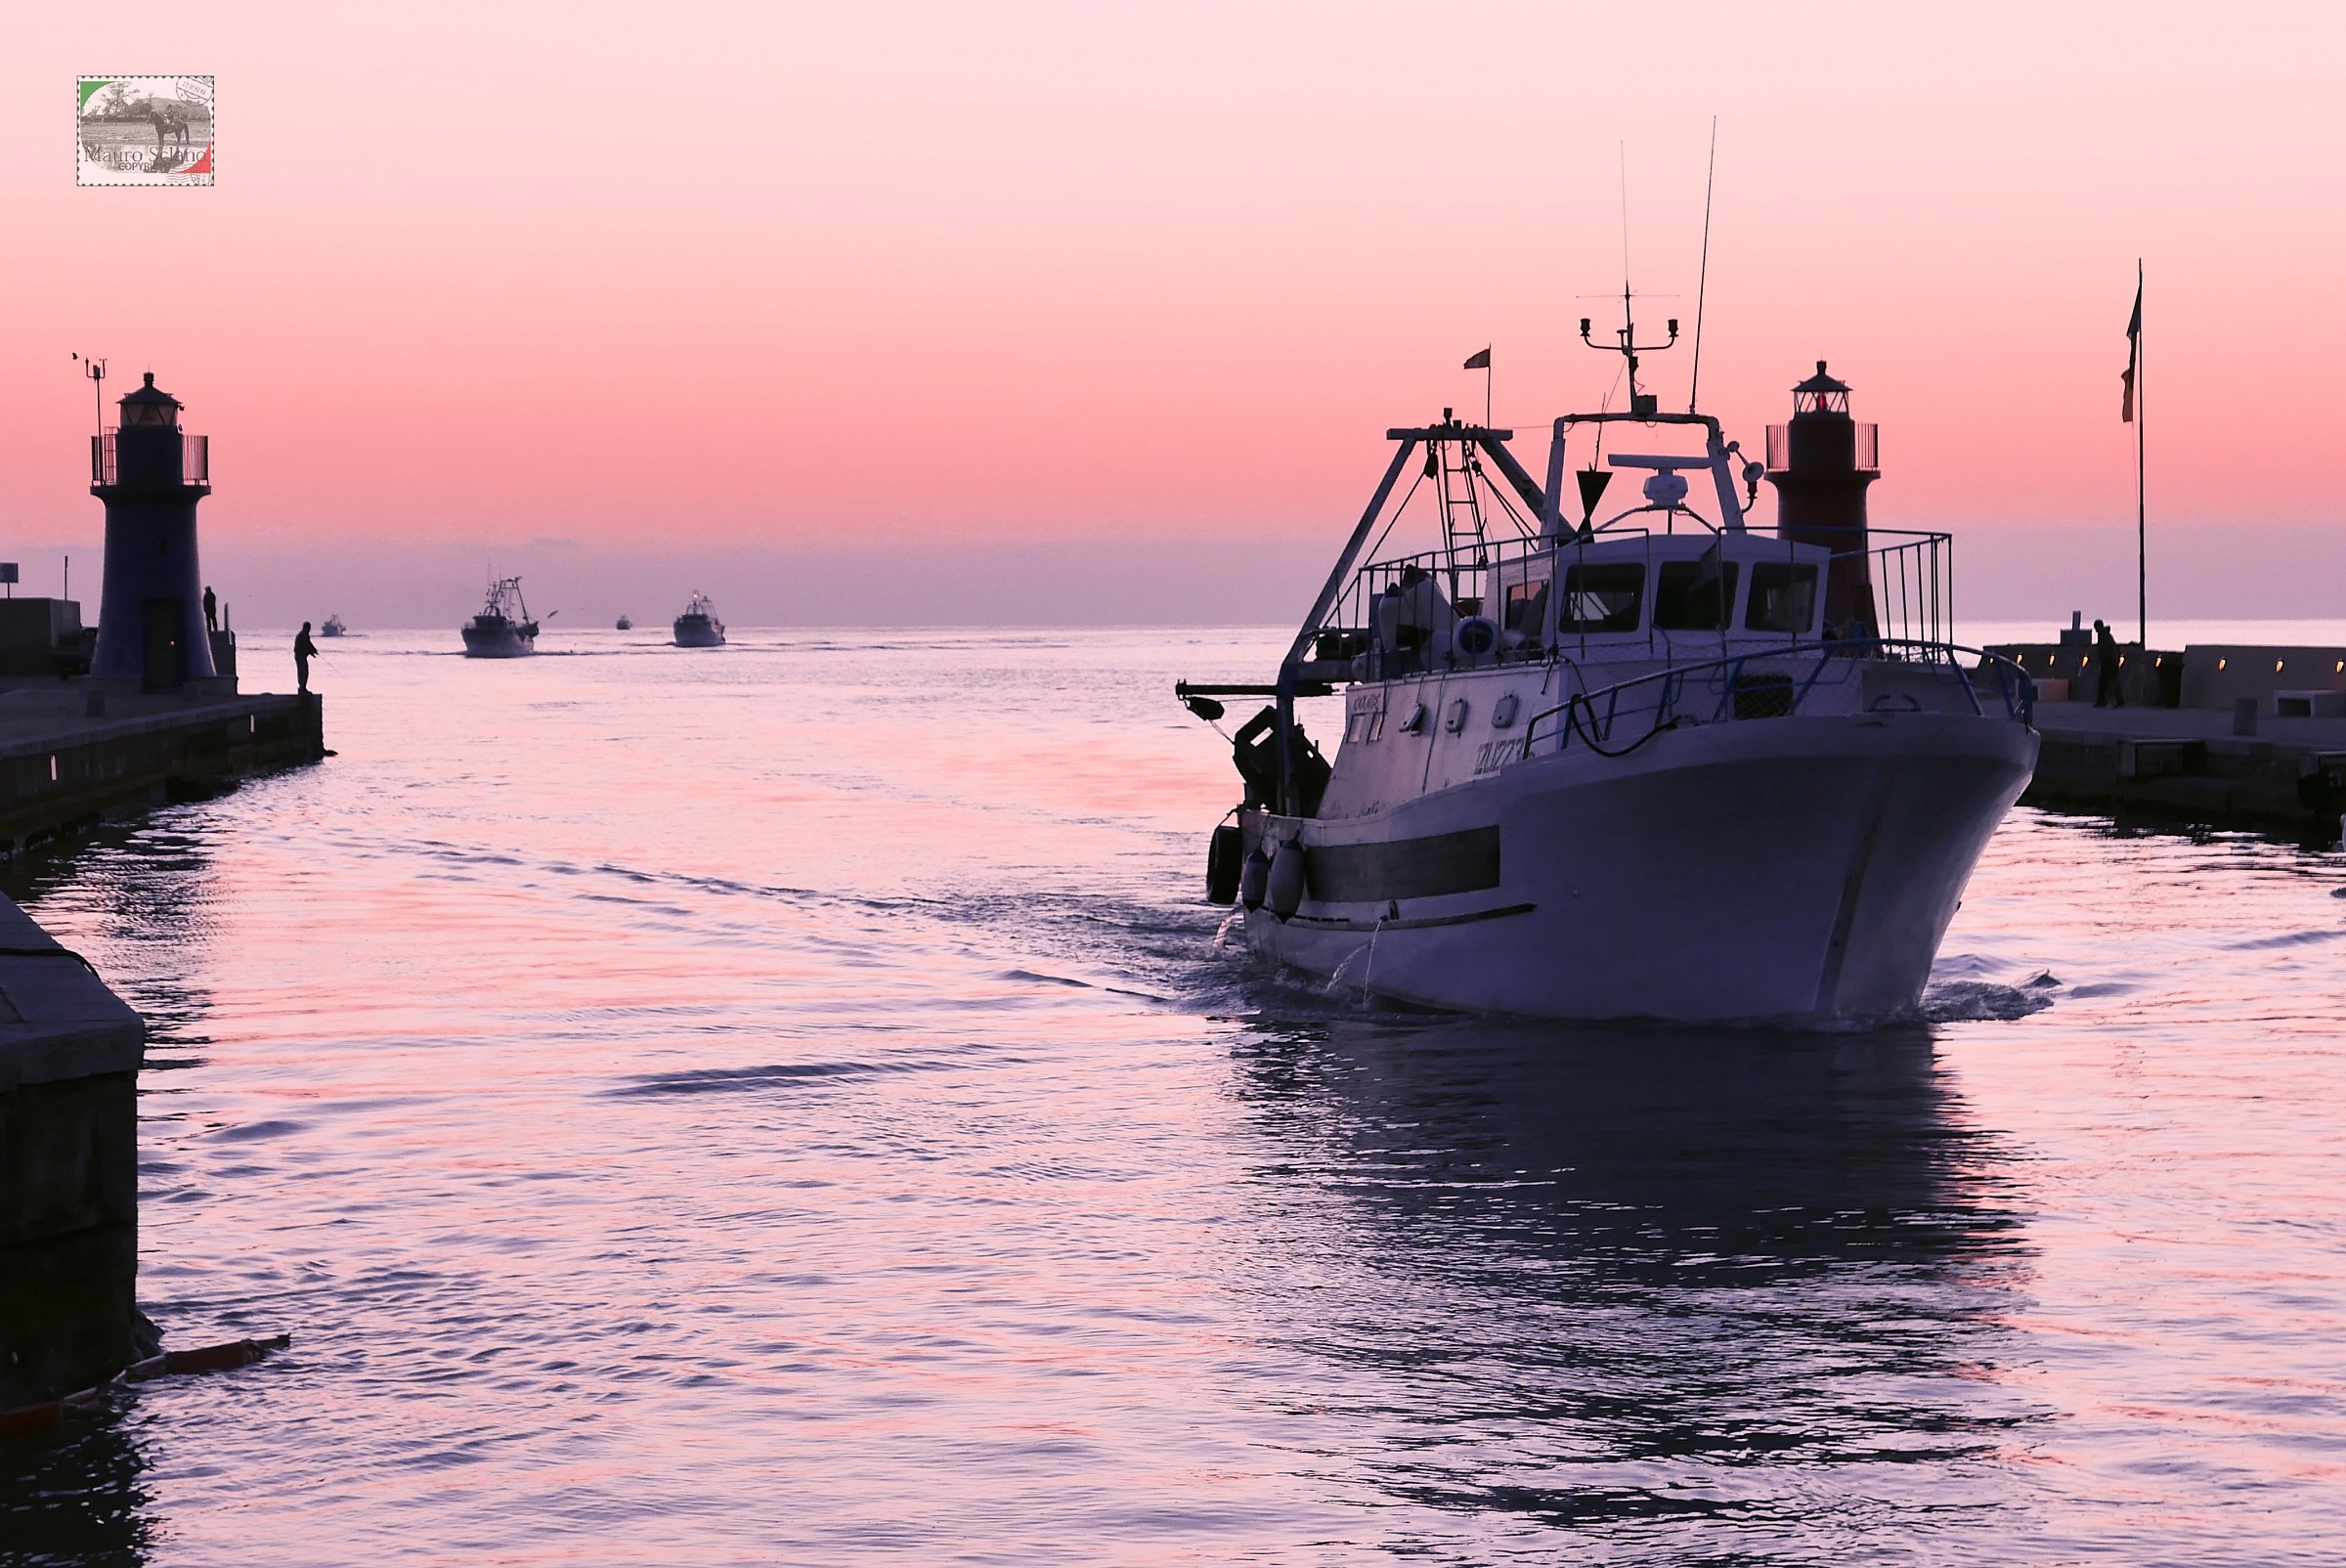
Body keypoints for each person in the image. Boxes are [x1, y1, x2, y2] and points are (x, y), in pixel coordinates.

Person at [2093, 618, 2124, 708]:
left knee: (2105, 682)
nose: (2095, 630)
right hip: (2110, 661)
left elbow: (2106, 649)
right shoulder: (2105, 635)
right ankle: (2116, 700)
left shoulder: (2104, 636)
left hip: (2108, 661)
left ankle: (2103, 701)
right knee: (2111, 682)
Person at [293, 621, 319, 695]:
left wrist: (314, 650)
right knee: (303, 671)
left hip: (301, 656)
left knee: (304, 671)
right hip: (299, 656)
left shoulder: (304, 635)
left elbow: (309, 644)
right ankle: (302, 688)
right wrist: (312, 652)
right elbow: (306, 645)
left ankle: (303, 687)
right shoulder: (303, 635)